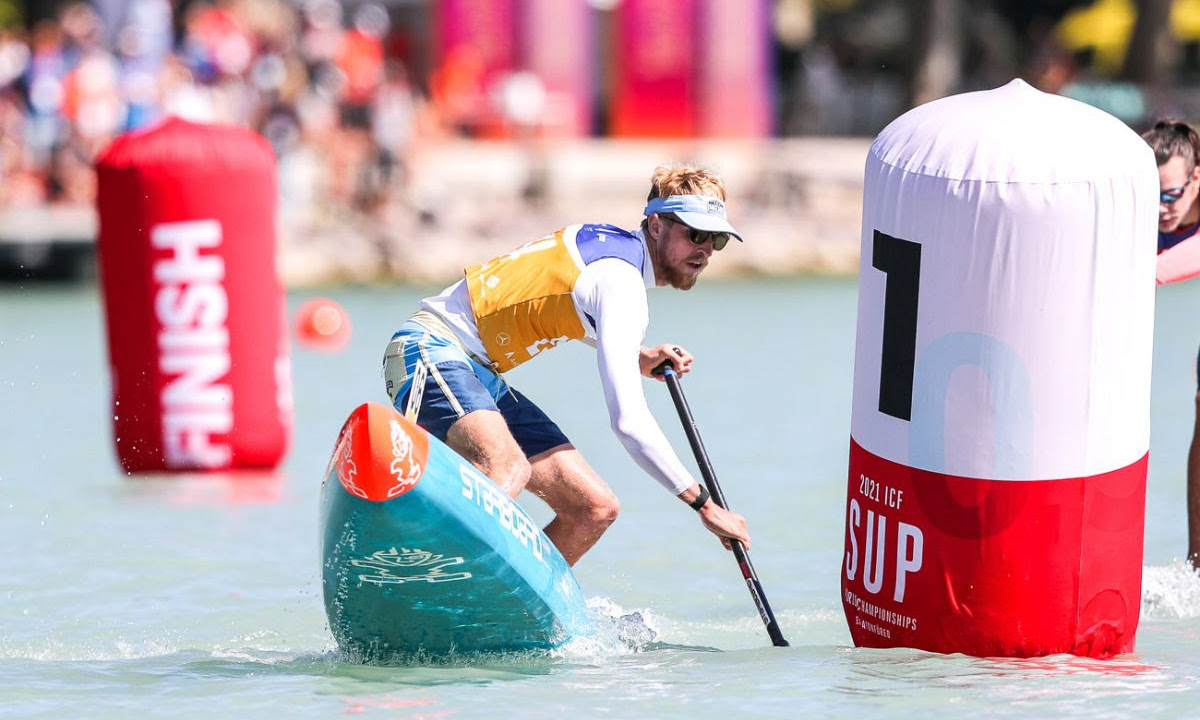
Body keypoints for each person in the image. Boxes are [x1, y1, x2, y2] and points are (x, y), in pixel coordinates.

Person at [382, 163, 752, 566]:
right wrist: (702, 505)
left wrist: (637, 355)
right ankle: (430, 578)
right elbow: (629, 421)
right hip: (426, 350)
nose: (704, 250)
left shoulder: (604, 242)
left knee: (593, 508)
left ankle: (509, 611)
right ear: (658, 225)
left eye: (716, 240)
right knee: (507, 467)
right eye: (695, 234)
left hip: (476, 372)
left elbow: (554, 304)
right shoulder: (623, 284)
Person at [1142, 119, 1200, 569]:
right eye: (1152, 195)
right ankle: (1197, 563)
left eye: (1171, 196)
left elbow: (1160, 270)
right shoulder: (1139, 206)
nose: (1162, 209)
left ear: (1196, 177)